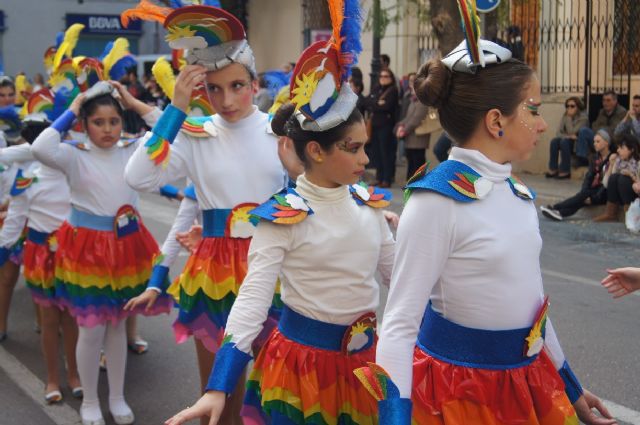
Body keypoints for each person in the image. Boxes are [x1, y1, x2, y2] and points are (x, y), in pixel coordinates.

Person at [357, 24, 616, 425]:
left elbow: (535, 312)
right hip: (460, 396)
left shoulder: (517, 194)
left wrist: (571, 388)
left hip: (527, 387)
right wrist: (395, 418)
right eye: (532, 108)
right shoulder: (435, 201)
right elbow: (399, 325)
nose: (543, 123)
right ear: (497, 121)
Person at [164, 3, 395, 420]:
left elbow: (403, 284)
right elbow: (251, 302)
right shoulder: (283, 218)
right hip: (301, 371)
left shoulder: (370, 207)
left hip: (363, 367)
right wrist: (219, 385)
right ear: (315, 151)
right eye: (353, 148)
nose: (365, 158)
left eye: (363, 146)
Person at [121, 3, 288, 423]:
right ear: (201, 90)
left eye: (236, 85)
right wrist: (176, 108)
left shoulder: (281, 133)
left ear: (254, 82)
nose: (226, 99)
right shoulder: (195, 136)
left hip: (275, 264)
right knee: (217, 397)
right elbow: (138, 176)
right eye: (214, 89)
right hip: (214, 272)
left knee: (272, 394)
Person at [31, 80, 173, 425]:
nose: (108, 129)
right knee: (91, 328)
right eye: (98, 122)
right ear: (84, 124)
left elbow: (170, 128)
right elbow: (40, 147)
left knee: (118, 325)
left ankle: (118, 397)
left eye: (114, 121)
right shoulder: (72, 153)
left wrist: (131, 100)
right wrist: (75, 105)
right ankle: (91, 401)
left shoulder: (132, 148)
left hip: (127, 246)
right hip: (87, 250)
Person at [0, 111, 82, 403]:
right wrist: (2, 251)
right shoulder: (26, 182)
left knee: (71, 320)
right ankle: (51, 379)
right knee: (49, 321)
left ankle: (74, 374)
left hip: (71, 256)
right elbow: (14, 223)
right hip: (41, 258)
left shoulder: (73, 174)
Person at [541, 129, 612, 221]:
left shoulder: (612, 159)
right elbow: (589, 177)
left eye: (598, 141)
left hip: (604, 193)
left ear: (606, 143)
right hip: (593, 190)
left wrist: (594, 199)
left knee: (583, 197)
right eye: (594, 141)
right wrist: (584, 190)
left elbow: (607, 183)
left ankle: (555, 208)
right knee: (582, 198)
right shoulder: (595, 158)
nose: (594, 144)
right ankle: (559, 213)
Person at [593, 133, 640, 222]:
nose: (618, 151)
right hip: (620, 197)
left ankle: (629, 215)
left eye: (621, 148)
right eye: (618, 148)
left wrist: (631, 176)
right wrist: (611, 165)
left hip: (634, 198)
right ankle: (610, 213)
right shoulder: (618, 161)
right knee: (614, 177)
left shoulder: (638, 163)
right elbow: (606, 184)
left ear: (632, 149)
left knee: (623, 179)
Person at [366, 69, 398, 187]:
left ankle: (386, 179)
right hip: (375, 126)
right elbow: (367, 101)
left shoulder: (393, 90)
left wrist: (377, 104)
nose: (383, 78)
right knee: (377, 153)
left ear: (391, 78)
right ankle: (379, 178)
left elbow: (388, 106)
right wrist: (377, 103)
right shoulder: (376, 88)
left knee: (386, 153)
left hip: (386, 126)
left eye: (386, 76)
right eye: (381, 76)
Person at [576, 90, 626, 166]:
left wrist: (602, 130)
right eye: (604, 100)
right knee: (584, 131)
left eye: (608, 100)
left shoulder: (622, 112)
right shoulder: (602, 111)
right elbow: (594, 125)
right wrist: (601, 131)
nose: (605, 103)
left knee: (602, 132)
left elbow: (615, 129)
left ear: (615, 101)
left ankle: (600, 160)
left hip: (613, 140)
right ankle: (582, 158)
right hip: (599, 136)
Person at [395, 74, 429, 179]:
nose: (412, 87)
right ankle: (411, 185)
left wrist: (404, 130)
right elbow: (409, 117)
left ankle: (417, 186)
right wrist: (400, 124)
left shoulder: (422, 101)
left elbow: (416, 119)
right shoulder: (414, 99)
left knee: (417, 163)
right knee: (411, 162)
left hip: (418, 138)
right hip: (411, 137)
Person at [545, 96, 588, 179]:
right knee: (554, 141)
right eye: (567, 106)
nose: (569, 108)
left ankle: (565, 171)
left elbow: (573, 131)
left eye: (572, 106)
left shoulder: (583, 118)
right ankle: (553, 169)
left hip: (577, 143)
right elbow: (558, 132)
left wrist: (568, 118)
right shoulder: (565, 116)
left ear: (578, 107)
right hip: (568, 139)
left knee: (564, 142)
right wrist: (567, 136)